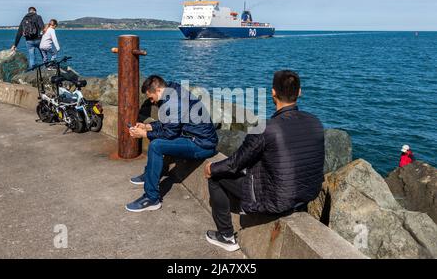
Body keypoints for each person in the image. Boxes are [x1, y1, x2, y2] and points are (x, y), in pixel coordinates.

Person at [203, 70, 325, 252]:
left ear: (273, 93)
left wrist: (212, 167)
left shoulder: (265, 127)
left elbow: (235, 163)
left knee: (216, 177)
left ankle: (226, 236)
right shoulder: (315, 122)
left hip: (277, 201)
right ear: (299, 92)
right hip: (307, 194)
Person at [126, 75, 218, 212]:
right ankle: (150, 175)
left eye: (151, 98)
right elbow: (168, 122)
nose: (151, 102)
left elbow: (169, 133)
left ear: (157, 90)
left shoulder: (175, 102)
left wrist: (144, 134)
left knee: (156, 146)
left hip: (201, 144)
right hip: (191, 136)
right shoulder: (171, 91)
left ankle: (152, 198)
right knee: (158, 142)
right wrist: (147, 127)